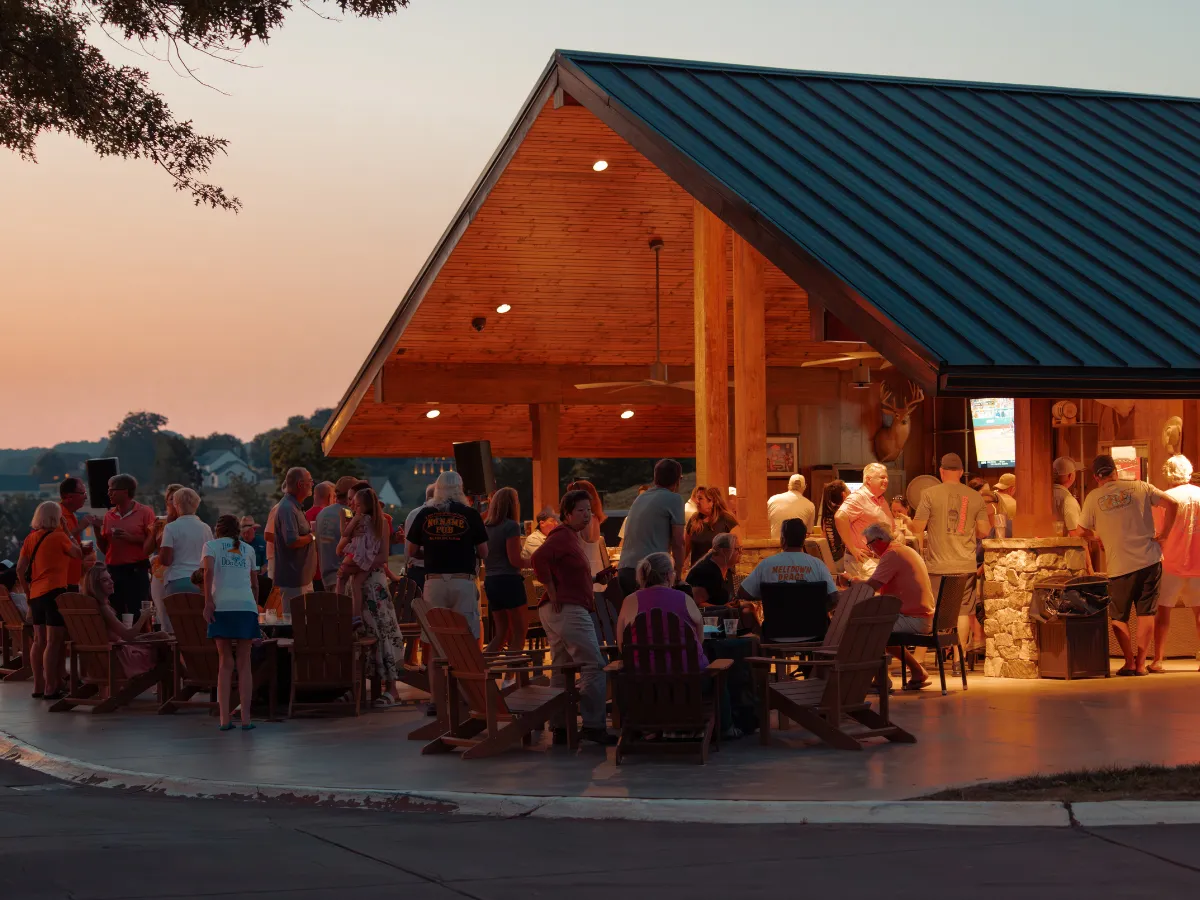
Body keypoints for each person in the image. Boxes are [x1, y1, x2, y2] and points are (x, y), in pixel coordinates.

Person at [1077, 454, 1178, 676]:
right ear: (1116, 471)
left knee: (1118, 616)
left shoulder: (1093, 497)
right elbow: (1172, 504)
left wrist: (1099, 535)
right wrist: (1164, 534)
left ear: (1096, 477)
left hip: (1119, 565)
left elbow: (1080, 530)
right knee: (1146, 612)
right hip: (1150, 560)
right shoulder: (1141, 487)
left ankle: (1129, 662)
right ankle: (1141, 664)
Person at [530, 489, 614, 746]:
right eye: (580, 510)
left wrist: (595, 578)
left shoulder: (571, 537)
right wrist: (551, 589)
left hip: (560, 609)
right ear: (567, 514)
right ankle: (593, 725)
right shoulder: (562, 536)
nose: (586, 515)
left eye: (589, 509)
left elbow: (568, 573)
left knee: (562, 667)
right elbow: (538, 558)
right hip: (568, 609)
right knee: (593, 665)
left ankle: (560, 726)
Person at [911, 453, 990, 652]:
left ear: (941, 471)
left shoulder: (929, 494)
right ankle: (958, 659)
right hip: (965, 565)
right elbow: (984, 531)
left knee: (934, 609)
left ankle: (924, 657)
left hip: (937, 565)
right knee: (962, 611)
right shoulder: (975, 497)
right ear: (961, 472)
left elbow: (917, 527)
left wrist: (907, 523)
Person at [339, 486, 405, 706]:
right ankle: (355, 686)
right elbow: (343, 546)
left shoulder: (381, 523)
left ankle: (392, 688)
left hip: (373, 583)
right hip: (356, 581)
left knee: (382, 631)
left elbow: (383, 556)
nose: (350, 504)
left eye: (353, 500)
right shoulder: (356, 523)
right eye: (349, 500)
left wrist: (360, 563)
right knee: (357, 635)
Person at [406, 471, 488, 638]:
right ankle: (463, 656)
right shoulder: (471, 514)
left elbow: (411, 551)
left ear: (438, 488)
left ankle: (435, 657)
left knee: (435, 634)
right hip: (463, 580)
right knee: (465, 634)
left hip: (434, 581)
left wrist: (431, 553)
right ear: (460, 488)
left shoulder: (425, 514)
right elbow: (484, 552)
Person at [16, 501, 81, 699]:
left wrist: (27, 592)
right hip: (55, 593)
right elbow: (78, 553)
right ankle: (51, 687)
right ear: (57, 517)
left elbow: (19, 569)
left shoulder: (30, 538)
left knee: (39, 641)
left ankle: (38, 685)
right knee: (53, 642)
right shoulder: (60, 536)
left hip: (36, 594)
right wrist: (68, 532)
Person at [202, 515, 260, 730]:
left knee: (225, 662)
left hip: (222, 605)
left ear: (217, 530)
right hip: (246, 605)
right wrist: (254, 606)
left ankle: (224, 719)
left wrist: (208, 602)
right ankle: (246, 719)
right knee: (244, 663)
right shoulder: (248, 549)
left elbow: (208, 572)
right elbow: (255, 584)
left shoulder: (211, 546)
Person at [863, 521, 934, 690]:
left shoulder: (892, 554)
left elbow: (872, 586)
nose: (870, 550)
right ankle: (917, 671)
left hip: (914, 618)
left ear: (878, 541)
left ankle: (881, 680)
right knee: (879, 627)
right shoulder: (904, 550)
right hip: (923, 616)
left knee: (869, 628)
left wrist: (851, 582)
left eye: (869, 545)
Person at [1151, 456, 1200, 673]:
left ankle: (1158, 660)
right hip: (1198, 562)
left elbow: (1157, 531)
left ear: (1168, 473)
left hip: (1170, 562)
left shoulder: (1165, 498)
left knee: (1163, 613)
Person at [616, 551, 708, 666]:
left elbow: (621, 644)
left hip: (642, 671)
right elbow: (700, 638)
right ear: (669, 575)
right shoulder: (685, 599)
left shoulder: (630, 602)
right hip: (687, 671)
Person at [616, 458, 686, 595]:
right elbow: (678, 541)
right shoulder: (674, 499)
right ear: (678, 480)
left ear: (655, 477)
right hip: (649, 572)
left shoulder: (641, 498)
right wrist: (678, 575)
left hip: (625, 570)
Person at [80, 564, 156, 678]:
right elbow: (128, 636)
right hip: (119, 660)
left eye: (110, 578)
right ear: (95, 585)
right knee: (163, 651)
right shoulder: (103, 609)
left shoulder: (94, 607)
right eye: (105, 580)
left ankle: (180, 676)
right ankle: (179, 680)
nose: (111, 582)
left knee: (160, 638)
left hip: (107, 657)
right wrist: (143, 616)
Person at [737, 518, 837, 606]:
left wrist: (767, 598)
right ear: (803, 540)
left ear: (783, 540)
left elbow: (743, 592)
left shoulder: (766, 564)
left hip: (776, 622)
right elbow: (834, 598)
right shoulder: (818, 565)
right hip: (812, 622)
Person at [97, 474, 157, 617]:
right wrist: (96, 530)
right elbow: (105, 548)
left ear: (125, 491)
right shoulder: (108, 515)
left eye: (112, 490)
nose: (109, 493)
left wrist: (131, 538)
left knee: (137, 612)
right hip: (113, 570)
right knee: (115, 612)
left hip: (136, 569)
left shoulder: (145, 512)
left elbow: (154, 541)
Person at [483, 487, 528, 655]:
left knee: (501, 633)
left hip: (491, 581)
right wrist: (536, 561)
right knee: (520, 632)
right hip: (509, 581)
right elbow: (514, 560)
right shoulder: (511, 526)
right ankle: (513, 670)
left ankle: (481, 666)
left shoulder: (486, 527)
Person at [685, 532, 757, 634]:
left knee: (748, 608)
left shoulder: (726, 570)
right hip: (708, 623)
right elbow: (695, 605)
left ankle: (761, 639)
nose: (741, 552)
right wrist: (723, 607)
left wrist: (732, 604)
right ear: (724, 551)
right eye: (737, 549)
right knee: (747, 613)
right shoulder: (706, 572)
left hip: (722, 616)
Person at [834, 463, 893, 578]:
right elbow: (840, 517)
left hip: (878, 560)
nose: (886, 480)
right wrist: (852, 548)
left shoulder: (881, 500)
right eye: (882, 477)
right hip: (864, 562)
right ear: (868, 479)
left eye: (887, 477)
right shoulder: (858, 497)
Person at [336, 486, 386, 615]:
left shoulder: (359, 519)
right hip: (369, 559)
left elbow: (343, 535)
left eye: (355, 503)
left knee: (342, 577)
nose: (351, 505)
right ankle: (355, 616)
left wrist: (342, 519)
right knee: (355, 584)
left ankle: (342, 612)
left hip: (360, 558)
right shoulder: (378, 522)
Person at [272, 467, 317, 605]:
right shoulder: (287, 508)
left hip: (303, 578)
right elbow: (292, 541)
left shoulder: (295, 506)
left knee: (306, 617)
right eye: (310, 481)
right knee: (294, 618)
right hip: (294, 581)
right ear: (300, 484)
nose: (312, 484)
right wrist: (312, 536)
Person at [158, 488, 213, 596]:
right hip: (200, 582)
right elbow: (210, 558)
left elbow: (166, 560)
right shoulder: (206, 528)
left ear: (176, 505)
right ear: (196, 505)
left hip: (177, 579)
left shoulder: (171, 528)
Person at [148, 483, 184, 623]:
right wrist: (153, 532)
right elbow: (147, 549)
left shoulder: (191, 523)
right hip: (160, 573)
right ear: (166, 501)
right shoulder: (159, 521)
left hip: (182, 572)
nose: (174, 502)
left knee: (181, 614)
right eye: (171, 498)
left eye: (178, 498)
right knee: (163, 615)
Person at [684, 485, 739, 573]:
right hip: (698, 574)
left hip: (720, 575)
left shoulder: (727, 520)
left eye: (700, 498)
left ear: (712, 501)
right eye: (697, 498)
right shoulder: (694, 520)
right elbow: (685, 548)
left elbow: (738, 548)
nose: (697, 501)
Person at [57, 477, 98, 589]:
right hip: (62, 581)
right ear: (69, 497)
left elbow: (70, 543)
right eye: (82, 493)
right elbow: (58, 542)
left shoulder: (71, 515)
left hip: (73, 579)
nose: (86, 497)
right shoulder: (57, 515)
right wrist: (80, 527)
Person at [315, 477, 355, 592]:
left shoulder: (322, 513)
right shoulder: (349, 514)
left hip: (327, 578)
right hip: (345, 579)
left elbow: (317, 546)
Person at [767, 474, 816, 539]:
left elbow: (764, 525)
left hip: (773, 543)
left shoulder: (772, 499)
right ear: (804, 487)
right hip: (795, 545)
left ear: (788, 486)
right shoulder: (810, 505)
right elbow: (808, 533)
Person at [305, 481, 335, 587]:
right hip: (326, 569)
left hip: (308, 569)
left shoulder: (304, 516)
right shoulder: (329, 516)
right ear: (330, 496)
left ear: (314, 496)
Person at [820, 479, 850, 570]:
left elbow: (824, 538)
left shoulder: (827, 515)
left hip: (830, 560)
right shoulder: (842, 514)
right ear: (844, 495)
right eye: (849, 492)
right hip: (842, 560)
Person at [239, 516, 269, 605]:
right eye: (243, 533)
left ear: (254, 530)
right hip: (244, 582)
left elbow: (266, 565)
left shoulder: (262, 542)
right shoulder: (238, 544)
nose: (245, 535)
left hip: (261, 580)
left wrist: (255, 572)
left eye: (248, 532)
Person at [1053, 457, 1082, 537]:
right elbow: (1075, 533)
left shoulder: (1042, 495)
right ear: (1070, 476)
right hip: (1063, 544)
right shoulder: (1068, 500)